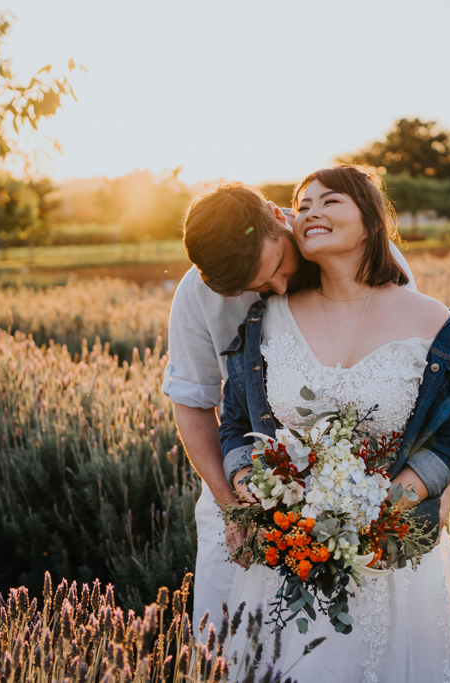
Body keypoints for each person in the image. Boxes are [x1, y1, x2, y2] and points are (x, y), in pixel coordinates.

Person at [218, 166, 450, 682]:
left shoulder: (431, 321)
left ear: (369, 220)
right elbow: (233, 423)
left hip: (392, 563)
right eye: (302, 204)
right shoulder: (264, 319)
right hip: (289, 561)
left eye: (330, 200)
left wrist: (382, 514)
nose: (311, 211)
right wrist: (252, 485)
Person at [162, 181, 417, 631]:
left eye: (278, 265)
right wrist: (233, 509)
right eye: (255, 287)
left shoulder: (363, 253)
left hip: (355, 501)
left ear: (278, 217)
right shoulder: (196, 294)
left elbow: (409, 376)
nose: (278, 286)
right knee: (229, 637)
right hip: (238, 487)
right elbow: (193, 403)